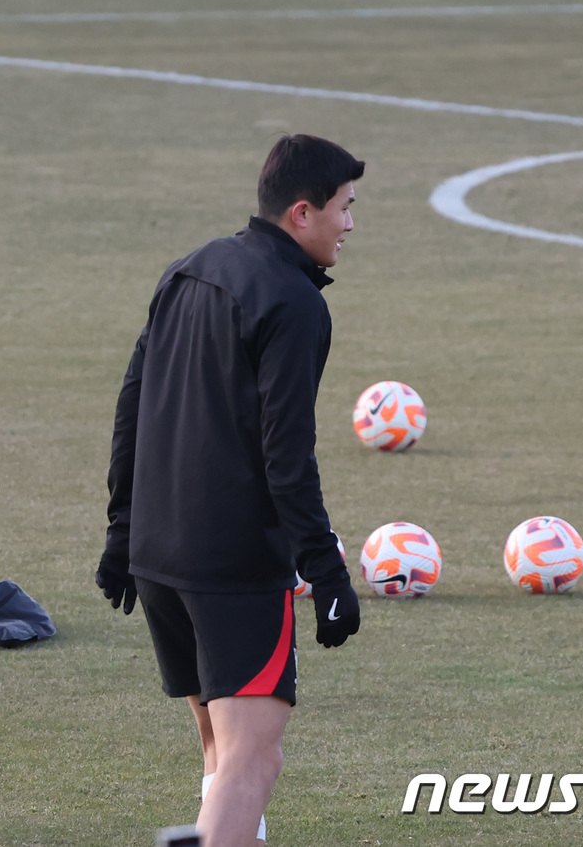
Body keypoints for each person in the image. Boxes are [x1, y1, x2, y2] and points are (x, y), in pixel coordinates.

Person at [97, 134, 365, 847]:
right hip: (234, 568)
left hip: (159, 557)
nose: (349, 224)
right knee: (253, 757)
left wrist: (123, 530)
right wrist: (326, 567)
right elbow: (287, 453)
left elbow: (132, 402)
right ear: (302, 212)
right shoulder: (295, 303)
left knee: (222, 752)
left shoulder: (190, 268)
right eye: (344, 207)